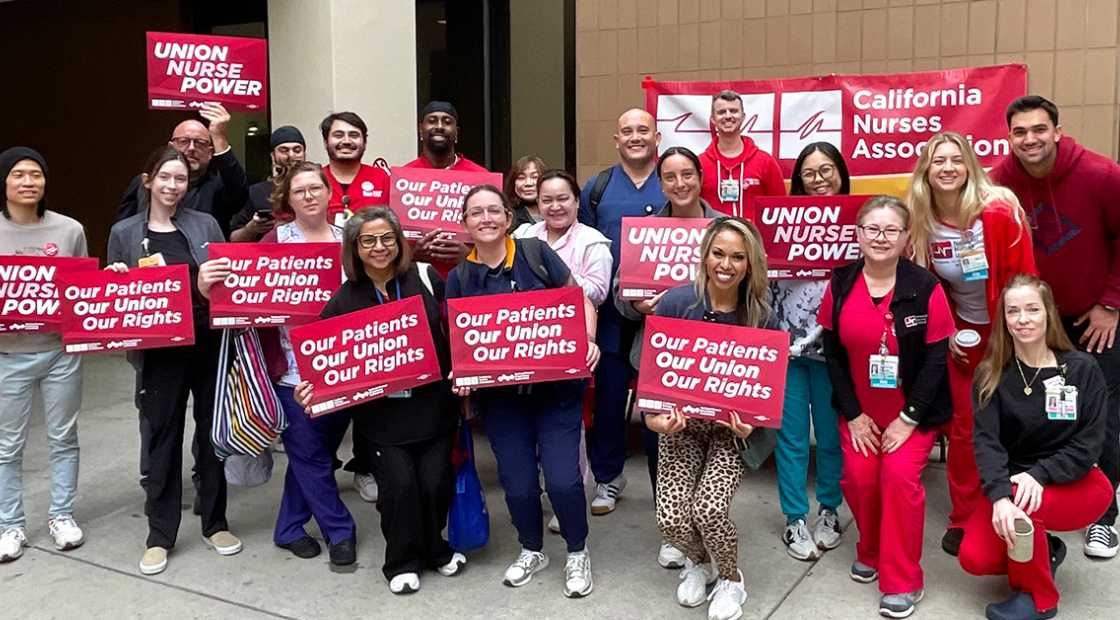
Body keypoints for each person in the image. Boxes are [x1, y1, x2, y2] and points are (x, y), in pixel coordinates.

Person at [293, 207, 464, 593]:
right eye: (368, 240)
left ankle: (437, 549)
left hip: (434, 406)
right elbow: (324, 356)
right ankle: (401, 561)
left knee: (435, 483)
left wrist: (466, 377)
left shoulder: (425, 276)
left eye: (387, 237)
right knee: (399, 487)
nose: (379, 247)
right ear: (354, 248)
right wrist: (310, 388)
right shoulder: (344, 298)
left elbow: (456, 331)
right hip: (383, 420)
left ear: (400, 241)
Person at [447, 185, 600, 598]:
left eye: (494, 210)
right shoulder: (459, 278)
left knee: (564, 481)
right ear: (465, 224)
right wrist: (461, 379)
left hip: (556, 393)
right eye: (476, 212)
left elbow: (578, 298)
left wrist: (587, 338)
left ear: (508, 218)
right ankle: (532, 548)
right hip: (502, 403)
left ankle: (576, 550)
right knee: (517, 485)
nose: (486, 219)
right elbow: (460, 349)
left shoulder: (535, 254)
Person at [200, 161, 356, 566]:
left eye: (315, 188)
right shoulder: (273, 240)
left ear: (328, 193)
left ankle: (287, 528)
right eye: (299, 190)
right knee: (310, 454)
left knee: (317, 450)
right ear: (287, 199)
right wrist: (207, 286)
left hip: (341, 369)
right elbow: (238, 292)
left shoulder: (347, 240)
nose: (308, 195)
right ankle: (341, 531)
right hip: (288, 371)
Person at [990, 95, 1120, 560]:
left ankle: (1103, 517)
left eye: (1039, 130)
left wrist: (1111, 303)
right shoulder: (998, 183)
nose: (1030, 139)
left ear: (1058, 131)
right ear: (1009, 137)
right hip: (1027, 320)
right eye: (1020, 132)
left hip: (1090, 319)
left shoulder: (1102, 175)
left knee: (1100, 415)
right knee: (1029, 411)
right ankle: (1031, 499)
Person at [819, 195, 955, 619]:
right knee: (859, 478)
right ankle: (871, 549)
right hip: (859, 411)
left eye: (890, 230)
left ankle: (902, 580)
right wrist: (854, 413)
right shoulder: (840, 282)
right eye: (872, 229)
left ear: (905, 238)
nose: (880, 238)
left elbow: (936, 361)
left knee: (898, 480)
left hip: (911, 415)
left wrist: (908, 419)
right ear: (858, 234)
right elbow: (833, 353)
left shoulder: (926, 287)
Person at [106, 146, 240, 576]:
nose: (172, 186)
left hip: (209, 343)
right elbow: (115, 301)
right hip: (160, 352)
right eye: (164, 177)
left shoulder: (205, 225)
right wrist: (115, 281)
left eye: (180, 179)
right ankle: (159, 534)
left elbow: (227, 286)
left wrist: (205, 285)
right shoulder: (125, 233)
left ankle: (215, 522)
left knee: (211, 436)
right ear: (148, 181)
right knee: (162, 438)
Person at [906, 131, 1037, 557]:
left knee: (1015, 423)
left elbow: (1025, 281)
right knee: (966, 427)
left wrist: (1014, 337)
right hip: (963, 335)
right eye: (938, 160)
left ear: (969, 165)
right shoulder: (921, 219)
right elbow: (926, 288)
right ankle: (963, 517)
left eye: (956, 159)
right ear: (926, 169)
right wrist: (944, 335)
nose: (947, 168)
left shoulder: (998, 210)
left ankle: (1020, 506)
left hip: (1010, 331)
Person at [960, 274, 1113, 620]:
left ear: (1049, 313)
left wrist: (1039, 475)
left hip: (1079, 481)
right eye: (1013, 311)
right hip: (1015, 485)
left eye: (1032, 309)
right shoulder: (991, 374)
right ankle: (1044, 548)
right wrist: (999, 495)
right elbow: (987, 444)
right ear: (1004, 320)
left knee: (1025, 507)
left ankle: (1038, 599)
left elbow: (1089, 444)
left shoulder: (1081, 369)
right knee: (974, 558)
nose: (1023, 319)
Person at [643, 217, 769, 620]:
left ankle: (731, 578)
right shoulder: (678, 302)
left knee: (710, 509)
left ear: (750, 263)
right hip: (680, 424)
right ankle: (700, 562)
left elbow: (766, 388)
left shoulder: (760, 314)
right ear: (704, 255)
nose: (726, 264)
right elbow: (651, 372)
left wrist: (754, 424)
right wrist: (653, 420)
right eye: (718, 253)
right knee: (671, 518)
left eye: (737, 256)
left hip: (729, 431)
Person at [614, 146, 724, 568]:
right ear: (661, 184)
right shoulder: (644, 231)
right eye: (671, 177)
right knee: (664, 442)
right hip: (658, 356)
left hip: (712, 357)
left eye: (687, 175)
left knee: (709, 444)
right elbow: (620, 294)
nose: (680, 184)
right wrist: (638, 307)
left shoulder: (723, 228)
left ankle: (704, 522)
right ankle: (673, 528)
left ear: (701, 177)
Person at [577, 110, 666, 554]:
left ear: (657, 136)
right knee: (610, 401)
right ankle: (608, 479)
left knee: (655, 405)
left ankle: (662, 485)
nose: (635, 137)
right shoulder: (597, 188)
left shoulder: (672, 177)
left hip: (661, 319)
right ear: (616, 140)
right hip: (612, 315)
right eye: (627, 131)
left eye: (643, 131)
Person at [0, 147, 87, 562]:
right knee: (7, 445)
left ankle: (61, 516)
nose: (29, 181)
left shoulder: (69, 230)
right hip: (7, 355)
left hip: (60, 353)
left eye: (36, 174)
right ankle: (9, 524)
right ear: (4, 183)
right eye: (18, 174)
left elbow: (83, 291)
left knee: (63, 438)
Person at [773, 142, 848, 561]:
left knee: (832, 436)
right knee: (792, 438)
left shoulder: (859, 223)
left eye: (827, 170)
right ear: (798, 180)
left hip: (836, 351)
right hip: (786, 349)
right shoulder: (780, 223)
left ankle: (829, 510)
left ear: (840, 172)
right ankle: (794, 519)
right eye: (809, 172)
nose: (818, 179)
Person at [116, 103, 248, 238]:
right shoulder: (144, 182)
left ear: (210, 153)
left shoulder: (218, 187)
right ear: (171, 147)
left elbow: (239, 195)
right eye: (183, 141)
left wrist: (218, 136)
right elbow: (123, 232)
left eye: (199, 143)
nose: (191, 148)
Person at [406, 101, 486, 269]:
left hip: (468, 277)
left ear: (456, 133)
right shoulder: (403, 177)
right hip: (417, 279)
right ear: (421, 129)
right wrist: (409, 253)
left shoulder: (481, 177)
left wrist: (470, 255)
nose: (439, 126)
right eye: (432, 120)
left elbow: (497, 231)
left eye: (447, 122)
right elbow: (387, 232)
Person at [515, 169, 612, 306]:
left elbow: (598, 293)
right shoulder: (523, 234)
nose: (555, 207)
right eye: (547, 200)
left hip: (572, 321)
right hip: (526, 321)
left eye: (562, 199)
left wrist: (558, 274)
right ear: (539, 204)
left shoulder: (593, 241)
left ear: (577, 201)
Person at [699, 90, 786, 218]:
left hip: (755, 237)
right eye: (721, 112)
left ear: (743, 116)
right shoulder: (700, 163)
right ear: (713, 119)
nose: (728, 116)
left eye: (734, 111)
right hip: (715, 236)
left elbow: (780, 208)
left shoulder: (765, 161)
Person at [229, 125, 307, 242]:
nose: (291, 155)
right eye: (284, 150)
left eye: (297, 150)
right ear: (273, 155)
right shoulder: (257, 192)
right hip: (269, 257)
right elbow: (234, 239)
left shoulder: (317, 187)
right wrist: (251, 228)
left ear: (304, 154)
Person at [320, 111, 391, 226]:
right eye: (338, 135)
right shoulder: (314, 180)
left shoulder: (384, 178)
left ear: (365, 142)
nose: (346, 141)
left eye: (354, 135)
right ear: (325, 142)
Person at [507, 156, 545, 233]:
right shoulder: (507, 217)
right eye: (521, 178)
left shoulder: (557, 212)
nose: (528, 183)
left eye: (535, 177)